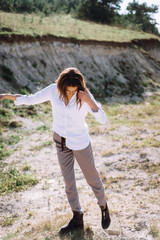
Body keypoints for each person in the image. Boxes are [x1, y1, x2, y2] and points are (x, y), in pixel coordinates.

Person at [0, 67, 111, 234]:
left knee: (93, 179)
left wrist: (90, 101)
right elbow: (30, 99)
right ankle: (77, 217)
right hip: (61, 142)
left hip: (80, 143)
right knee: (69, 182)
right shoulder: (53, 90)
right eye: (68, 90)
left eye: (74, 91)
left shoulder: (84, 95)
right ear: (61, 85)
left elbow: (103, 120)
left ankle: (103, 207)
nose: (71, 94)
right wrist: (6, 96)